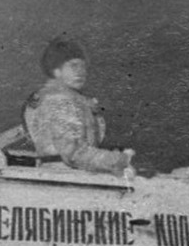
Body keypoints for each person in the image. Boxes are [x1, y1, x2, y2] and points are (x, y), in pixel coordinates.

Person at [22, 38, 134, 176]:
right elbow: (73, 153)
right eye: (74, 66)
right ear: (56, 70)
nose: (81, 72)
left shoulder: (53, 97)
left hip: (61, 174)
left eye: (83, 66)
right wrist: (119, 160)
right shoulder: (59, 101)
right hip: (66, 177)